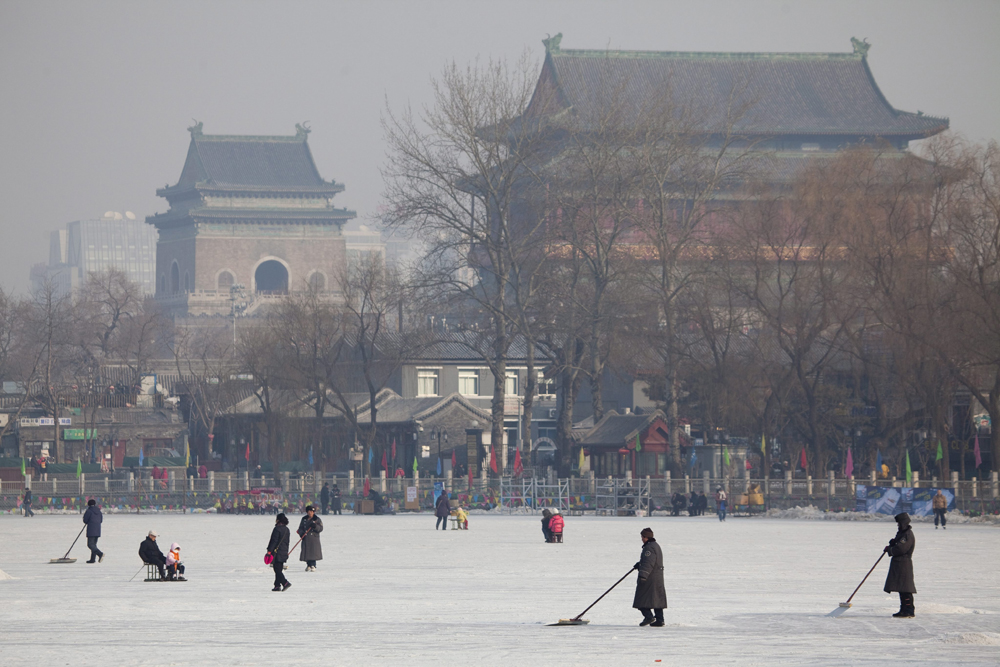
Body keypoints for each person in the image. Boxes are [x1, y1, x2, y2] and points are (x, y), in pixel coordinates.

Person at [883, 512, 916, 618]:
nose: (898, 525)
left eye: (899, 523)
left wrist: (891, 549)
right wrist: (894, 542)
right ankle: (903, 609)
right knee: (901, 588)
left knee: (905, 588)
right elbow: (899, 544)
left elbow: (901, 549)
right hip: (899, 564)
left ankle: (909, 610)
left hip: (904, 564)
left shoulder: (907, 534)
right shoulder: (902, 533)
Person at [633, 527, 667, 627]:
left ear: (646, 537)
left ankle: (648, 617)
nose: (641, 539)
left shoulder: (649, 548)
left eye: (642, 537)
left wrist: (643, 575)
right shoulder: (655, 545)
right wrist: (640, 564)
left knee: (641, 597)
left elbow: (649, 563)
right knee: (657, 599)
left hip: (650, 578)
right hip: (657, 577)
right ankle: (660, 620)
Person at [267, 513, 292, 592]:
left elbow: (274, 541)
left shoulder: (277, 529)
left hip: (277, 552)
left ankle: (285, 582)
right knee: (279, 568)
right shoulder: (287, 529)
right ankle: (277, 585)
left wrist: (269, 550)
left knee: (277, 569)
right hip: (284, 551)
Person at [297, 506, 323, 571]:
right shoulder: (304, 519)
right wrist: (301, 534)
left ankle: (313, 565)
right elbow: (300, 528)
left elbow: (320, 528)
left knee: (313, 552)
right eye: (309, 511)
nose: (310, 513)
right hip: (306, 538)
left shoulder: (317, 519)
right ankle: (308, 564)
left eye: (312, 512)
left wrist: (315, 526)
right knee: (307, 552)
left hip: (314, 538)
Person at [83, 499, 104, 563]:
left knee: (90, 545)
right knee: (94, 545)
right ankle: (92, 559)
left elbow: (85, 520)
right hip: (97, 530)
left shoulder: (89, 511)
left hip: (91, 530)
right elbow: (101, 520)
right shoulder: (99, 511)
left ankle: (100, 554)